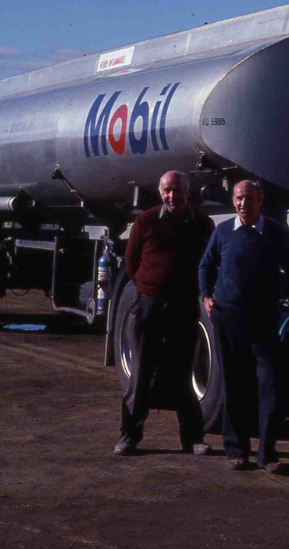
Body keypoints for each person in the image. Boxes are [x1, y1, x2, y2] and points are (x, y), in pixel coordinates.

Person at [198, 179, 289, 474]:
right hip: (228, 319)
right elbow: (205, 265)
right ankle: (237, 450)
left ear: (260, 200)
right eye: (239, 198)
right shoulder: (223, 232)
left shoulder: (276, 234)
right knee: (234, 386)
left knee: (269, 388)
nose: (243, 204)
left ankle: (268, 453)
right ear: (234, 200)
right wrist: (206, 296)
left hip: (264, 322)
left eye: (249, 199)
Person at [115, 170, 216, 456]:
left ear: (188, 192)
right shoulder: (145, 221)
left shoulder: (201, 223)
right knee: (140, 376)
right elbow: (132, 263)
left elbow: (209, 261)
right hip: (148, 307)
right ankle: (129, 437)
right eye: (167, 191)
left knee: (182, 376)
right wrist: (151, 287)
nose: (172, 195)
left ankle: (193, 439)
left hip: (184, 307)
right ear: (161, 194)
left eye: (177, 190)